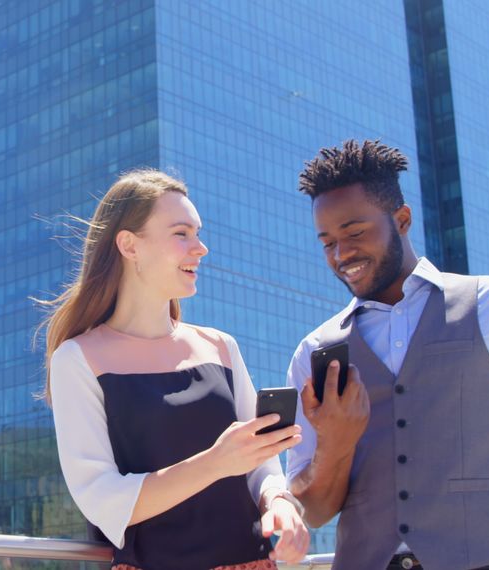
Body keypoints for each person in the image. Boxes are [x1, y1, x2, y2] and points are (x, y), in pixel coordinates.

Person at [285, 139, 489, 570]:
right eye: (327, 242)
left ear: (402, 219)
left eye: (354, 233)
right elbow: (311, 510)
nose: (341, 254)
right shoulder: (316, 351)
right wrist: (334, 444)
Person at [40, 169, 310, 569]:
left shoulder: (221, 347)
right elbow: (101, 498)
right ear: (129, 245)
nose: (200, 248)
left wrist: (278, 500)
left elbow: (260, 464)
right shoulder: (77, 359)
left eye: (198, 233)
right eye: (182, 233)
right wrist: (216, 463)